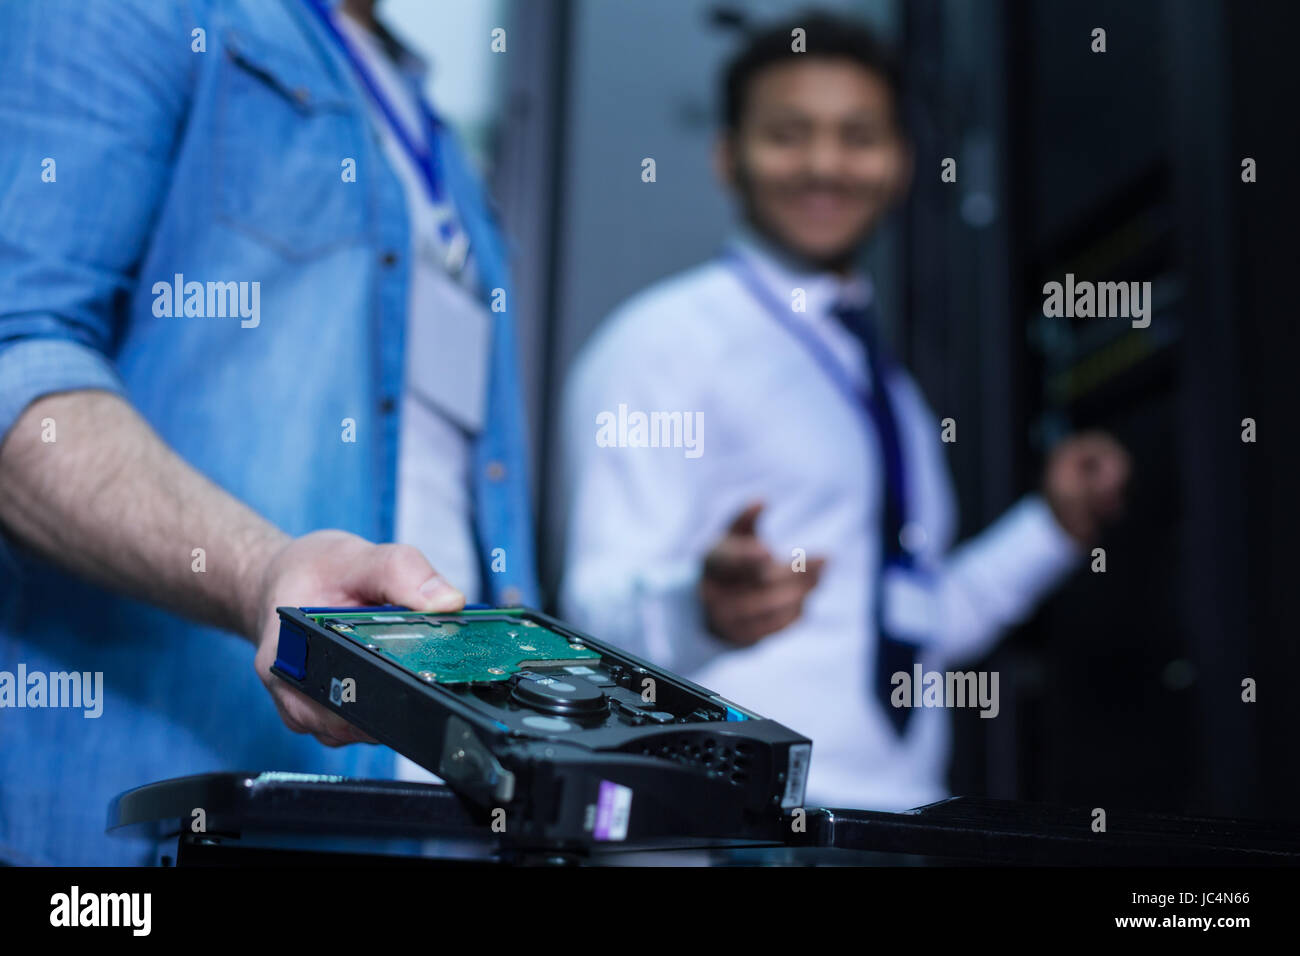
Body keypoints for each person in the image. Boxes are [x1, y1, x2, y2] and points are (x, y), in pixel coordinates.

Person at [0, 0, 535, 865]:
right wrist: (258, 574)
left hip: (431, 815)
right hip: (169, 822)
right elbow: (16, 354)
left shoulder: (415, 104)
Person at [560, 11, 1130, 812]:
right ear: (730, 157)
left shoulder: (885, 387)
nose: (825, 164)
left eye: (858, 136)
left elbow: (909, 625)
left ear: (899, 164)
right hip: (732, 828)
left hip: (893, 821)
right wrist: (700, 607)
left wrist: (1054, 528)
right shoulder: (664, 342)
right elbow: (596, 612)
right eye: (789, 134)